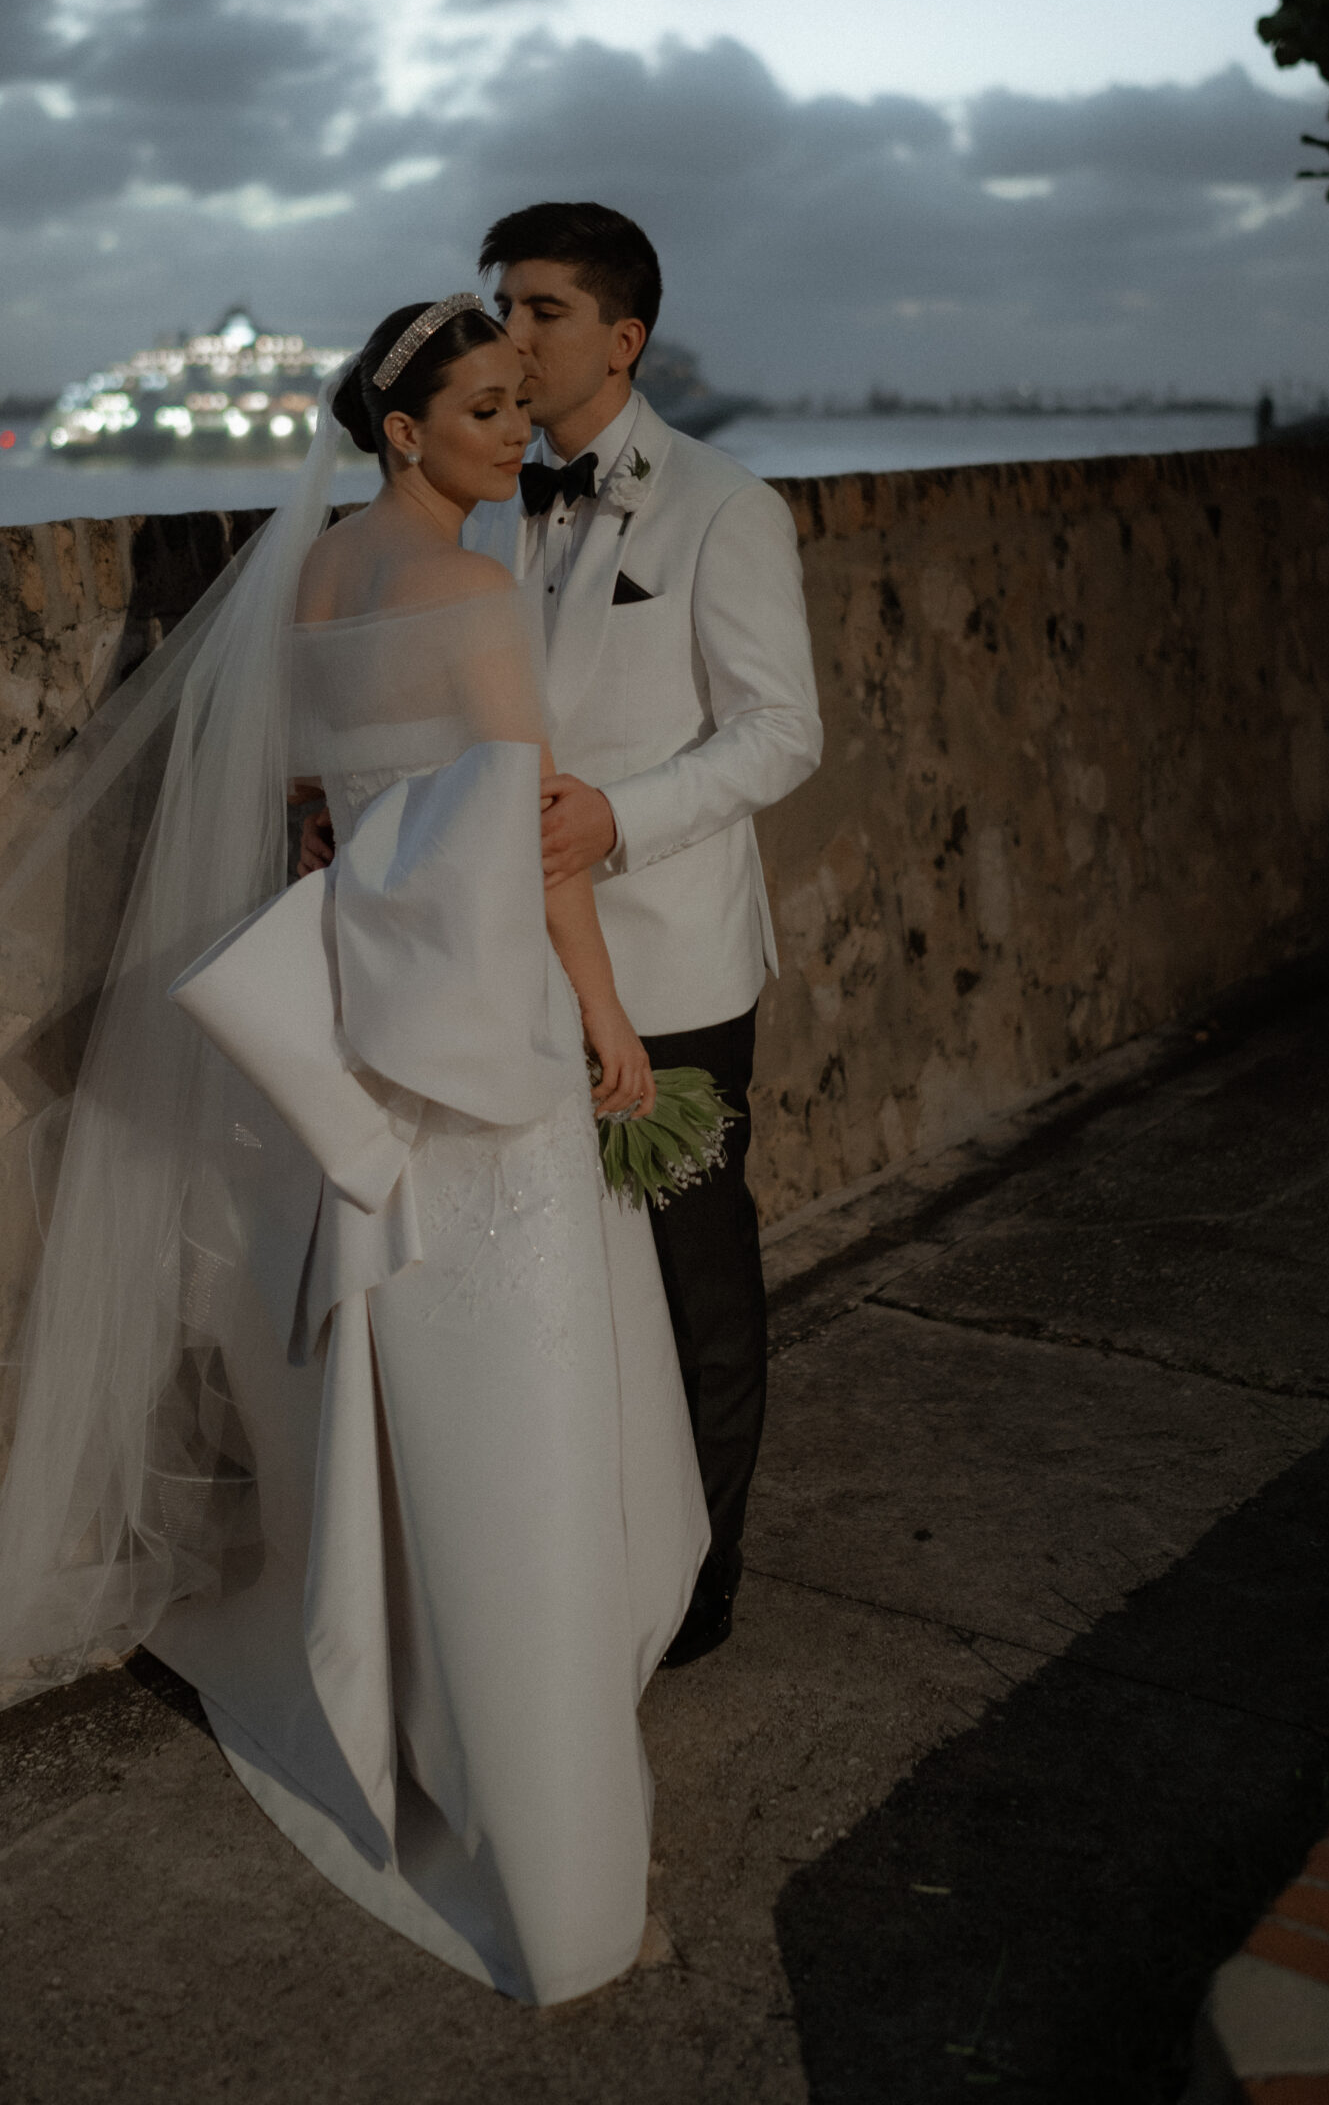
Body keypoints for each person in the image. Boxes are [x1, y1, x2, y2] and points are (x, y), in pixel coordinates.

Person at [0, 295, 707, 2009]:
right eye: (486, 408)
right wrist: (610, 1020)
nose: (516, 433)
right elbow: (536, 846)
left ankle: (402, 1680)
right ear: (404, 431)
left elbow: (311, 815)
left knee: (399, 1388)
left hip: (352, 1038)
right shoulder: (470, 594)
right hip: (477, 1044)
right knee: (510, 1393)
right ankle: (527, 1777)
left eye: (523, 404)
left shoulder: (305, 587)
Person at [471, 204, 822, 1666]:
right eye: (503, 306)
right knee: (557, 1284)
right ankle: (591, 1551)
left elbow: (782, 732)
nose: (512, 335)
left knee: (694, 1283)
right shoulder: (485, 503)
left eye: (542, 309)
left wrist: (621, 817)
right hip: (515, 963)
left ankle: (702, 1582)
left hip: (669, 966)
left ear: (623, 339)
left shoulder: (726, 507)